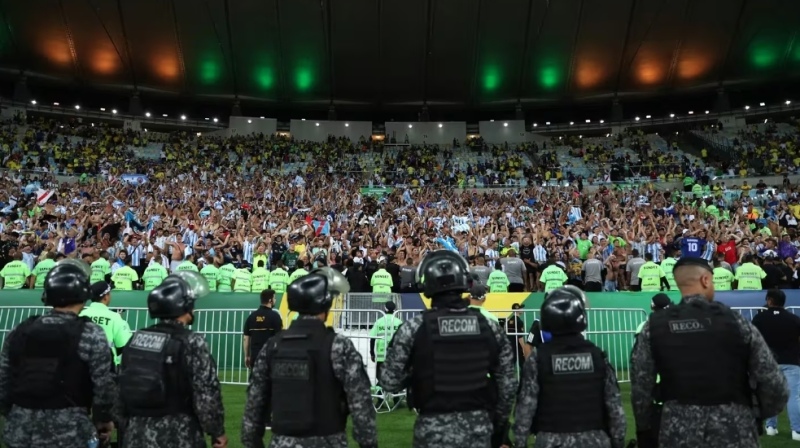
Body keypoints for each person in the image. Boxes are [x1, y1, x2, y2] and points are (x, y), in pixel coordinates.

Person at [630, 257, 789, 448]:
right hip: (736, 430)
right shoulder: (736, 322)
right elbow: (774, 384)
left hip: (677, 430)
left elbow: (640, 388)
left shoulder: (653, 327)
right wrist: (752, 414)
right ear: (705, 280)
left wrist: (645, 429)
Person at [380, 250, 516, 448]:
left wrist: (418, 372)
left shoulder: (413, 328)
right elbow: (508, 385)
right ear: (463, 281)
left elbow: (389, 382)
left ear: (426, 284)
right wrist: (499, 427)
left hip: (432, 431)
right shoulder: (490, 327)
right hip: (479, 428)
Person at [240, 267, 377, 448]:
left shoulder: (272, 346)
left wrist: (253, 442)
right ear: (325, 306)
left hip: (282, 442)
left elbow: (254, 403)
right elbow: (361, 403)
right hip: (328, 441)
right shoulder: (339, 346)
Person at [0, 259, 117, 447]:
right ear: (84, 294)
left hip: (20, 431)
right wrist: (103, 421)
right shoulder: (90, 333)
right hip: (70, 432)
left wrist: (17, 416)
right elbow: (104, 386)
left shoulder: (20, 330)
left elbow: (3, 382)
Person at [118, 271, 228, 448]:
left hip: (135, 434)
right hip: (178, 434)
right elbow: (206, 394)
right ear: (185, 305)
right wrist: (217, 431)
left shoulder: (136, 339)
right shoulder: (192, 341)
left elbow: (121, 389)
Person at [512, 285, 626, 448]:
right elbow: (615, 408)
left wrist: (520, 442)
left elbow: (524, 408)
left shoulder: (538, 359)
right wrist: (618, 441)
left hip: (550, 440)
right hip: (594, 440)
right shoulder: (597, 356)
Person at [751, 289, 800, 439]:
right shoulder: (794, 319)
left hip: (767, 363)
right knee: (794, 397)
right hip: (791, 361)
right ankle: (796, 431)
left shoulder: (759, 318)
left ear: (769, 300)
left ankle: (771, 427)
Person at [80, 281, 133, 366]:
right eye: (109, 293)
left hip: (81, 364)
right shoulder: (115, 317)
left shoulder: (81, 314)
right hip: (106, 365)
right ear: (106, 297)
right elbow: (124, 346)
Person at [369, 301, 403, 386]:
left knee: (380, 377)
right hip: (395, 355)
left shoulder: (379, 321)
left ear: (385, 309)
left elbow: (372, 338)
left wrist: (372, 353)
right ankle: (396, 398)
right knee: (395, 377)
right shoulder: (399, 322)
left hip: (381, 355)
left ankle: (380, 398)